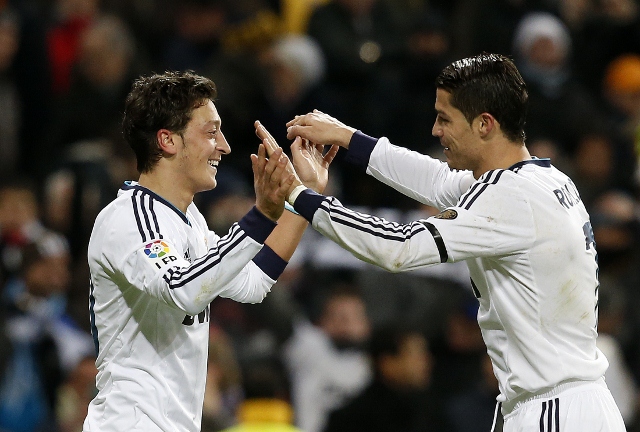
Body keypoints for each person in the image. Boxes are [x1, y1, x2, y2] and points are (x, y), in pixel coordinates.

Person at [273, 53, 625, 430]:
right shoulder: (546, 178)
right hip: (571, 402)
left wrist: (300, 196)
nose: (435, 130)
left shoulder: (508, 197)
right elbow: (436, 180)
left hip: (552, 411)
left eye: (445, 118)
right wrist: (347, 137)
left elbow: (400, 247)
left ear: (485, 125)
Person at [83, 70, 335, 432]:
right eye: (211, 132)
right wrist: (261, 215)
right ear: (168, 141)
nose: (225, 146)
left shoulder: (190, 221)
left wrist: (303, 195)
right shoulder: (128, 219)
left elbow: (253, 281)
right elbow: (183, 289)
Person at [323, 324, 449, 432]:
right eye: (416, 355)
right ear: (387, 363)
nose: (427, 361)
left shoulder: (433, 413)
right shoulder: (350, 421)